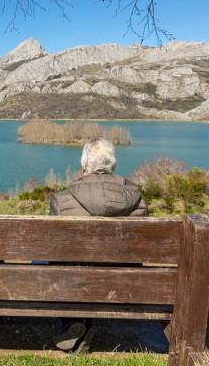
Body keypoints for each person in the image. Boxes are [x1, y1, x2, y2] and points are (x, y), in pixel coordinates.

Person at [49, 138, 148, 352]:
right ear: (113, 166)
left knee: (57, 263)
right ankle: (84, 326)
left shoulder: (61, 200)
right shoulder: (138, 200)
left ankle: (73, 323)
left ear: (84, 166)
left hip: (74, 281)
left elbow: (54, 248)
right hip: (124, 282)